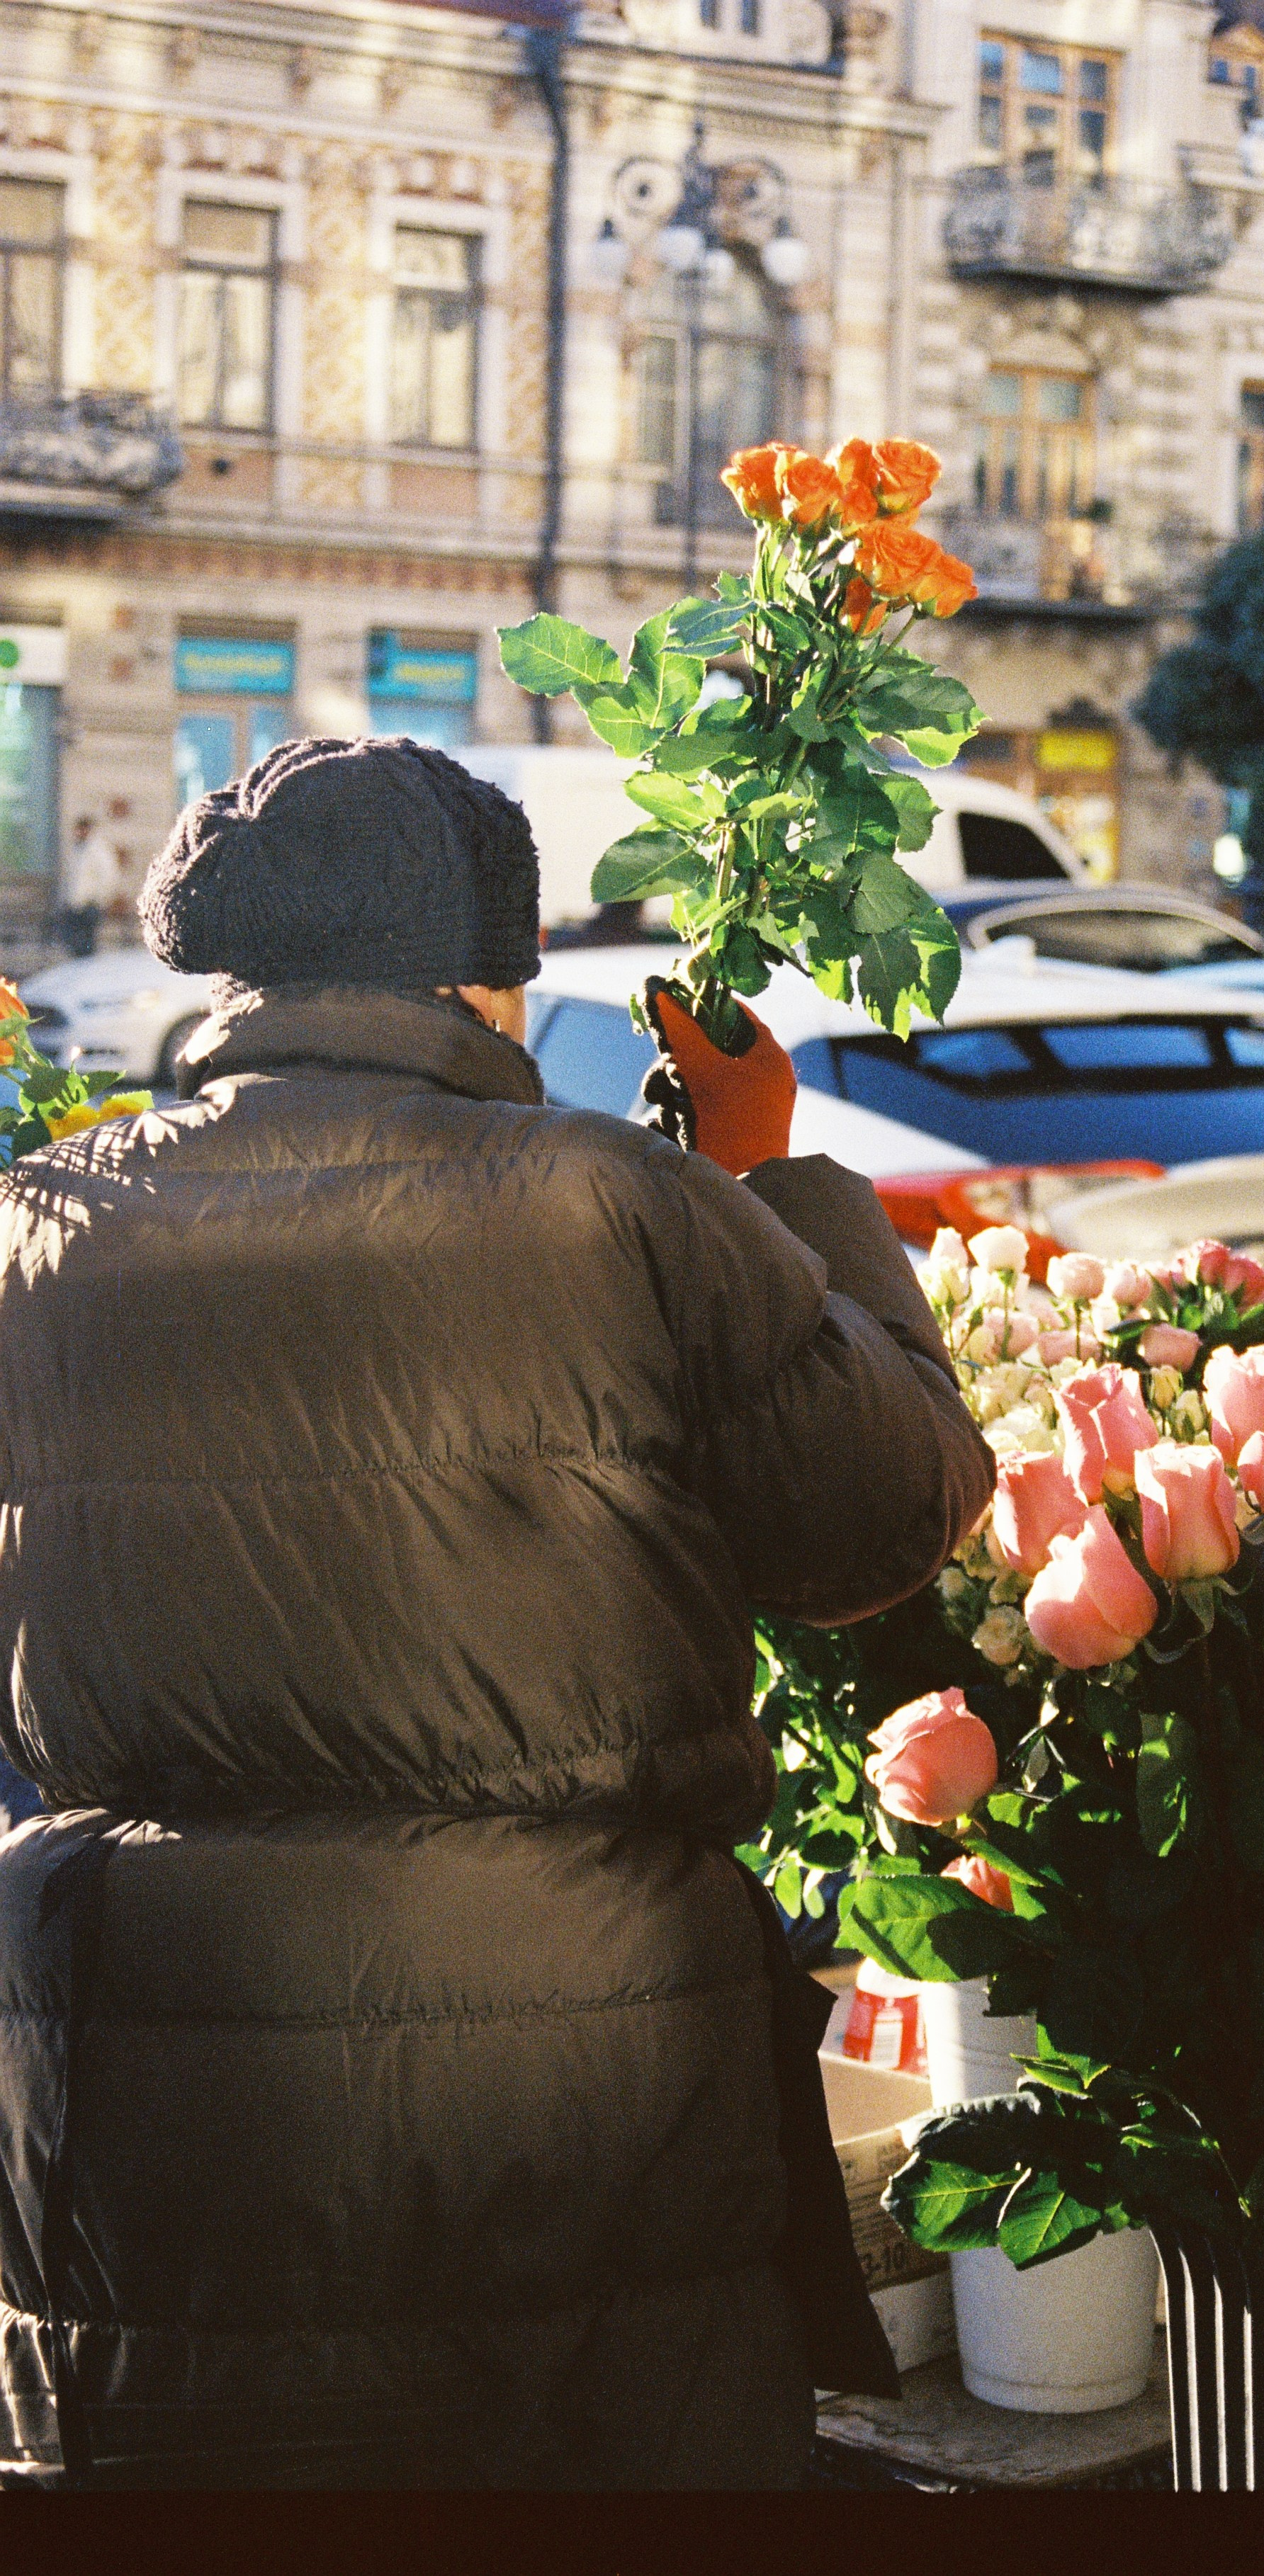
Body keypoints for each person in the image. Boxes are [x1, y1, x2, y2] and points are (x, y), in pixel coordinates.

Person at [0, 735, 993, 2490]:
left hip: (144, 2124)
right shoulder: (618, 1204)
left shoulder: (36, 1228)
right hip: (581, 2099)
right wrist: (771, 1179)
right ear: (484, 976)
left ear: (230, 970)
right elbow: (880, 1513)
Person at [56, 813, 124, 957]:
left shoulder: (99, 850)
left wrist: (100, 899)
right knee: (74, 941)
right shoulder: (77, 849)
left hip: (90, 903)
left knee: (87, 942)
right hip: (75, 904)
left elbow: (109, 876)